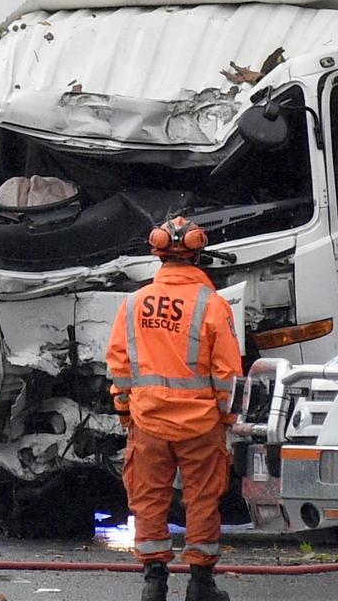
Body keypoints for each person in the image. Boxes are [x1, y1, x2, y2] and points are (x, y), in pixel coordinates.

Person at [105, 216, 241, 601]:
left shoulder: (133, 305)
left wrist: (125, 411)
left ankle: (153, 582)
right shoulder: (212, 306)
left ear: (158, 255)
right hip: (200, 425)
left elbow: (119, 363)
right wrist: (228, 420)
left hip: (148, 422)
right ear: (198, 255)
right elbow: (228, 372)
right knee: (202, 499)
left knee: (148, 499)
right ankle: (201, 584)